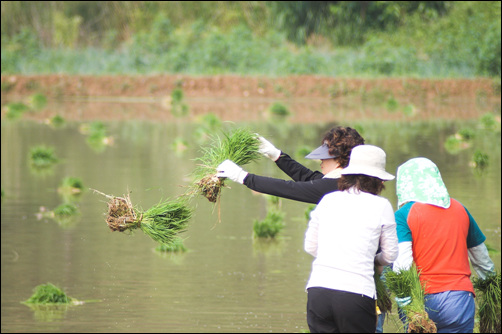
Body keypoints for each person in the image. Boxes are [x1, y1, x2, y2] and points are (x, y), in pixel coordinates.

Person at [392, 157, 496, 333]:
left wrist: (404, 297)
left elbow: (403, 263)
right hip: (460, 301)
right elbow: (481, 258)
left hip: (424, 301)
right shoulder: (460, 209)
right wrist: (493, 291)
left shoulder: (403, 215)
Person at [304, 144, 398, 333]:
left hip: (318, 291)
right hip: (356, 293)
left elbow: (310, 246)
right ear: (378, 180)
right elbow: (390, 254)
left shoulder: (328, 200)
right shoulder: (381, 205)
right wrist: (374, 260)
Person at [216, 126, 365, 204]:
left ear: (339, 158)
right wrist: (277, 156)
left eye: (325, 157)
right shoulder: (349, 182)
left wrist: (243, 177)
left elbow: (289, 188)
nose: (321, 160)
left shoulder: (335, 188)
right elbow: (309, 178)